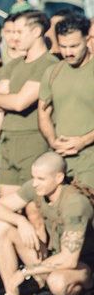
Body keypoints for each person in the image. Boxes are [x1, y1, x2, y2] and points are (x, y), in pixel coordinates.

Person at [0, 152, 94, 295]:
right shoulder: (36, 188)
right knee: (2, 226)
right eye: (33, 177)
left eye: (41, 179)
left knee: (57, 282)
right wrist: (20, 221)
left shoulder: (75, 203)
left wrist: (24, 272)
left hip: (82, 264)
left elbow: (69, 259)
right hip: (53, 255)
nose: (35, 183)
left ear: (59, 177)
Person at [0, 10, 58, 196]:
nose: (14, 38)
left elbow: (19, 103)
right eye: (12, 33)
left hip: (33, 142)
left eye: (19, 32)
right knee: (7, 207)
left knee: (33, 208)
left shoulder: (48, 64)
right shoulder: (12, 66)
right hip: (6, 142)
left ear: (36, 32)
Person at [38, 13, 94, 187]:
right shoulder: (53, 72)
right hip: (59, 161)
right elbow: (43, 112)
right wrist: (52, 141)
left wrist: (82, 141)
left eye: (74, 46)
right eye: (63, 46)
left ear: (88, 38)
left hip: (90, 161)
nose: (68, 52)